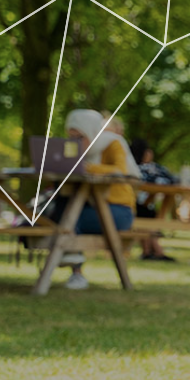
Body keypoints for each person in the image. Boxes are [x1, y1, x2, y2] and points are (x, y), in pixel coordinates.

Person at [46, 109, 137, 290]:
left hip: (118, 210)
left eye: (80, 137)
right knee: (61, 211)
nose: (75, 142)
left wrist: (87, 167)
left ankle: (74, 265)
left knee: (69, 218)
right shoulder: (71, 150)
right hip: (86, 207)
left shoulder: (113, 143)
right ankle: (72, 263)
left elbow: (121, 170)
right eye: (71, 137)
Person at [128, 138, 177, 262]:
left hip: (143, 205)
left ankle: (149, 251)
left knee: (147, 211)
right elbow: (170, 180)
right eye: (147, 151)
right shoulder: (138, 168)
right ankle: (155, 251)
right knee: (145, 212)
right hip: (133, 204)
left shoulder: (149, 168)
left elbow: (172, 179)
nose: (150, 153)